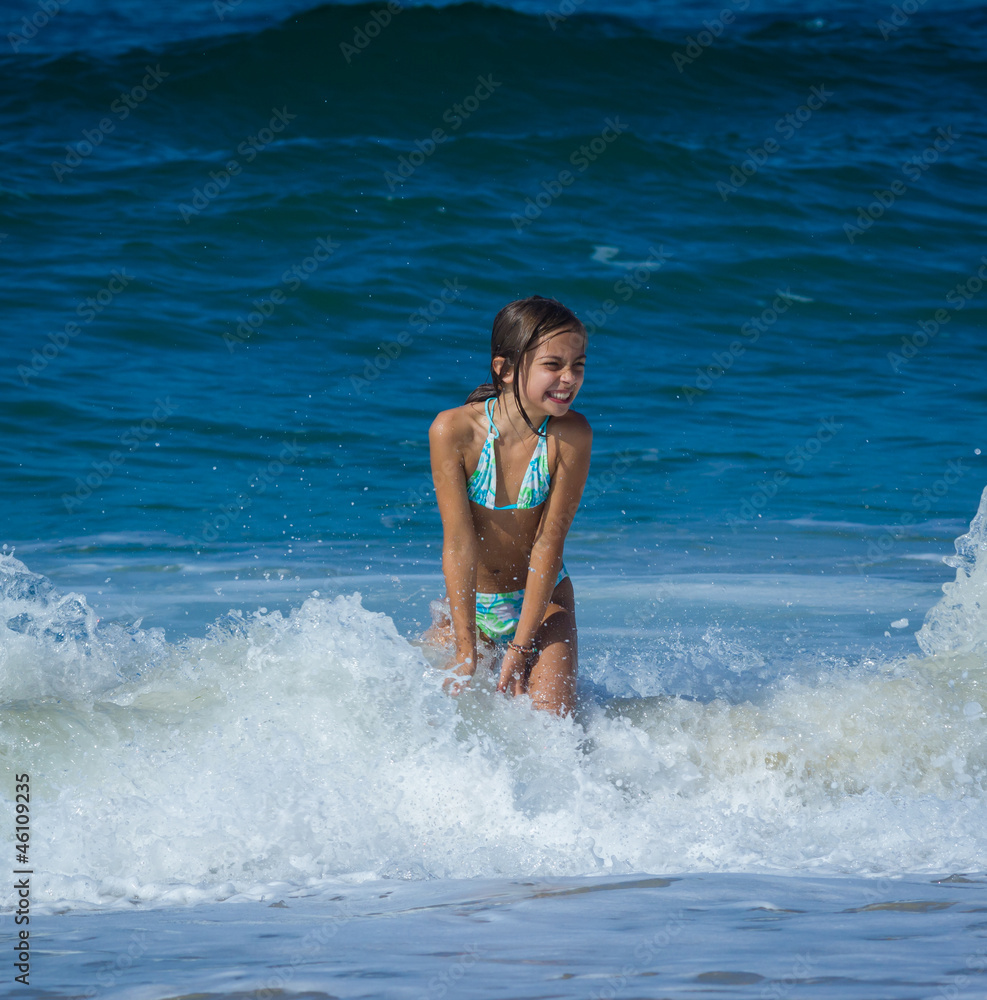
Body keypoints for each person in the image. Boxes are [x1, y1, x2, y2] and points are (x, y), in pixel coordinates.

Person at [425, 295, 591, 715]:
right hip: (474, 606)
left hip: (543, 602)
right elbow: (458, 545)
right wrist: (466, 649)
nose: (568, 378)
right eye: (553, 365)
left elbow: (548, 545)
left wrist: (520, 645)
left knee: (554, 731)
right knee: (427, 714)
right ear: (505, 368)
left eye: (578, 365)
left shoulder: (571, 436)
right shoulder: (454, 430)